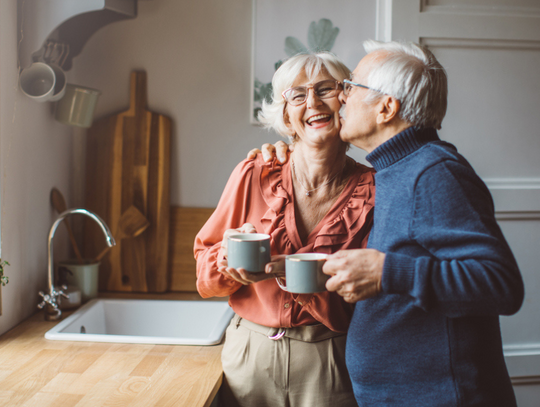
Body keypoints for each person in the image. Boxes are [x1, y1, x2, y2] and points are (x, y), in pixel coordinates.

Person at [252, 40, 524, 406]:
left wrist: (385, 273)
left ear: (386, 107)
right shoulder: (396, 169)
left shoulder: (434, 173)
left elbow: (501, 284)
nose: (341, 98)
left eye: (351, 87)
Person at [194, 51, 375, 407]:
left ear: (346, 100)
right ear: (287, 116)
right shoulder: (254, 172)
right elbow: (203, 274)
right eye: (297, 95)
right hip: (250, 354)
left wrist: (312, 280)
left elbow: (375, 298)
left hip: (331, 359)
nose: (312, 102)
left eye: (325, 89)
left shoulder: (374, 190)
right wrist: (225, 261)